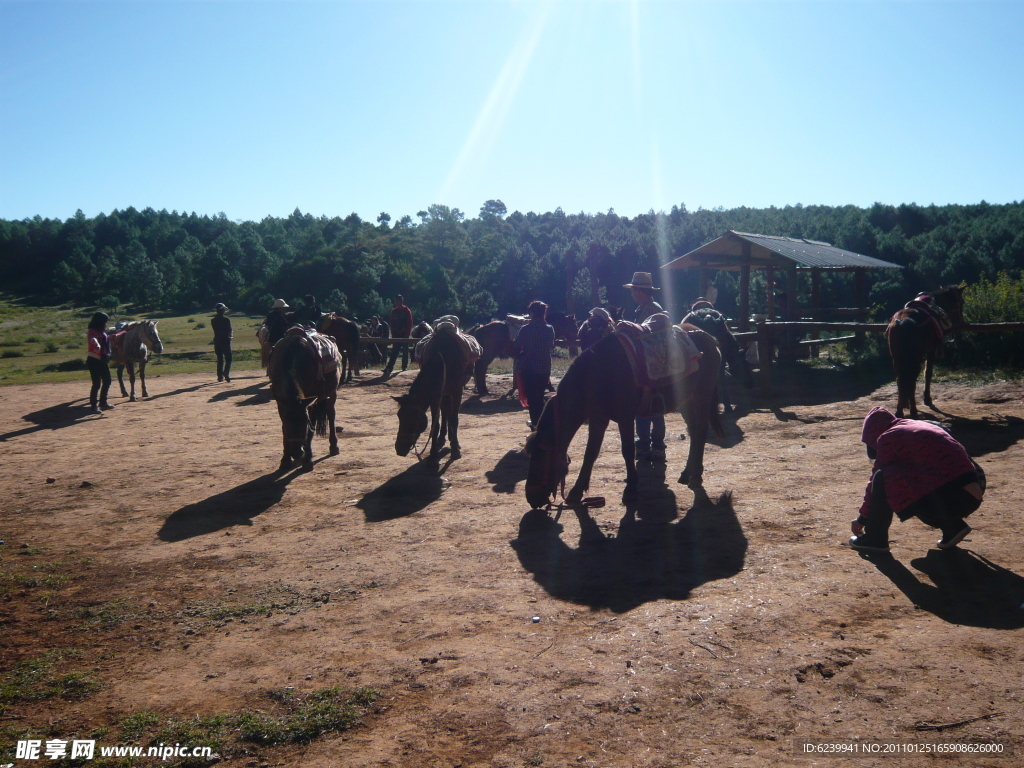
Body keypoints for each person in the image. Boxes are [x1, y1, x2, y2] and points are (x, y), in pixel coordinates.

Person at [849, 407, 986, 554]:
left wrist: (863, 518)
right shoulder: (914, 426)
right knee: (914, 478)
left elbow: (876, 479)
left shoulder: (889, 437)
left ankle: (875, 539)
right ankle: (952, 527)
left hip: (956, 498)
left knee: (883, 477)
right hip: (973, 490)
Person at [625, 271, 667, 462]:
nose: (632, 294)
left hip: (654, 363)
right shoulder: (644, 308)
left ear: (641, 291)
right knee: (643, 404)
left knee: (653, 403)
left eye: (634, 290)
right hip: (646, 362)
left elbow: (653, 338)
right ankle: (646, 443)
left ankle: (654, 445)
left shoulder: (653, 309)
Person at [514, 300, 555, 429]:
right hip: (544, 368)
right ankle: (543, 423)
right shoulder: (549, 329)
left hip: (529, 368)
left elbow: (516, 346)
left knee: (533, 399)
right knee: (539, 396)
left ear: (531, 313)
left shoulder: (526, 329)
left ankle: (537, 426)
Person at [86, 311, 113, 415]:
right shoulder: (92, 331)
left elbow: (105, 339)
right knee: (96, 383)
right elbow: (93, 339)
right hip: (94, 360)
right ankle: (93, 406)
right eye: (105, 321)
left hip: (102, 360)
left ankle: (103, 402)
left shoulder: (102, 332)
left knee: (107, 381)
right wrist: (96, 344)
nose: (106, 323)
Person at [383, 294, 414, 375]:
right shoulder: (394, 311)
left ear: (401, 301)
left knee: (405, 351)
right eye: (395, 301)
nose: (396, 302)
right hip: (396, 334)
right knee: (394, 351)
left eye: (398, 301)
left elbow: (409, 323)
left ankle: (404, 367)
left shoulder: (407, 310)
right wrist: (393, 334)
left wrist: (407, 334)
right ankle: (389, 367)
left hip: (404, 334)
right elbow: (392, 323)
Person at [211, 303, 233, 383]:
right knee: (229, 358)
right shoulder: (226, 320)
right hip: (225, 341)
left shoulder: (213, 320)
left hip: (217, 341)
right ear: (223, 310)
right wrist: (230, 337)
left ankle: (219, 376)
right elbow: (229, 330)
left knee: (220, 359)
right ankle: (226, 372)